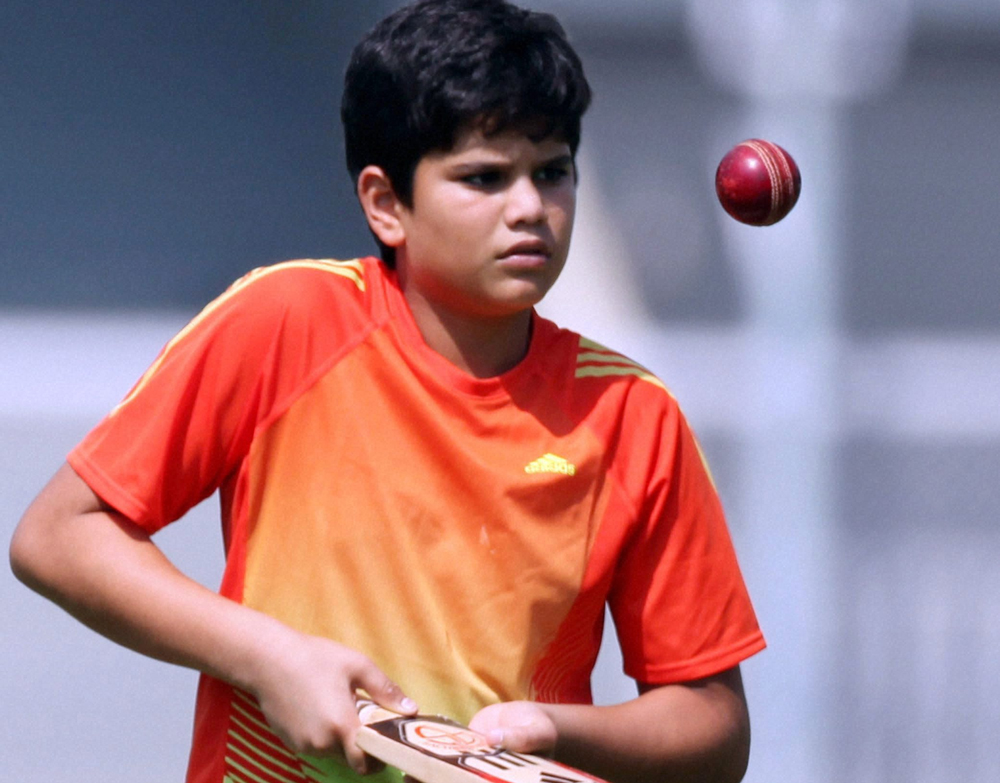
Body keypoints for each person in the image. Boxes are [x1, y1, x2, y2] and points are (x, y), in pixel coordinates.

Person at [9, 1, 765, 782]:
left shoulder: (636, 413)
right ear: (385, 204)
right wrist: (273, 656)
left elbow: (713, 726)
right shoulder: (285, 321)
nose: (530, 208)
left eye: (552, 171)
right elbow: (59, 536)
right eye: (483, 177)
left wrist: (553, 728)